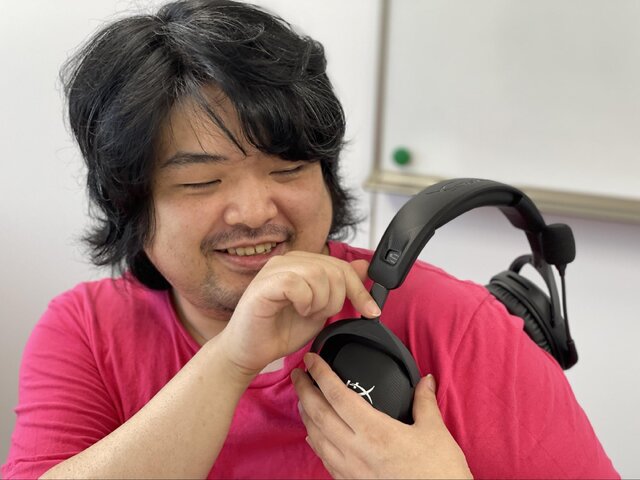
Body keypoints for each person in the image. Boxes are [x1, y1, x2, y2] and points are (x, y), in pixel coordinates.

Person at [2, 1, 618, 478]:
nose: (254, 211)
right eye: (201, 181)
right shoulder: (87, 332)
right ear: (129, 204)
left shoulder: (453, 324)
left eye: (289, 169)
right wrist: (232, 361)